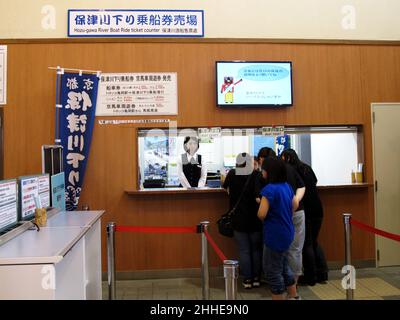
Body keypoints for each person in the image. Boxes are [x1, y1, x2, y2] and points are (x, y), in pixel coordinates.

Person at [257, 147, 306, 283]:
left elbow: (261, 214)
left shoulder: (270, 188)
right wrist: (292, 205)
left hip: (276, 227)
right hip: (290, 221)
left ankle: (281, 289)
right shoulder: (287, 182)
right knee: (291, 254)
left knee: (274, 268)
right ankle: (293, 288)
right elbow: (300, 190)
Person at [281, 148, 328, 285]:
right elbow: (314, 182)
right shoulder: (306, 167)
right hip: (318, 209)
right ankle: (322, 273)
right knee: (313, 242)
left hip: (305, 210)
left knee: (306, 244)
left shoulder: (291, 170)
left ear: (287, 158)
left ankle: (310, 277)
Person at [223, 153, 263, 289]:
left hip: (239, 219)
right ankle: (257, 279)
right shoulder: (256, 175)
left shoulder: (233, 173)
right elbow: (260, 194)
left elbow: (225, 187)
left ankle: (247, 280)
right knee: (256, 250)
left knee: (244, 250)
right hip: (256, 218)